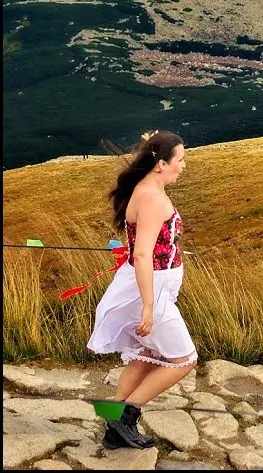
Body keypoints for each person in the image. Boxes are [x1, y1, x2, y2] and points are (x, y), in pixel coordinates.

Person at [87, 130, 196, 449]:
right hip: (151, 290)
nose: (183, 165)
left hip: (149, 285)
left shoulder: (146, 188)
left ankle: (113, 426)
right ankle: (126, 417)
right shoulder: (152, 197)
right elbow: (142, 253)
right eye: (180, 159)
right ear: (161, 164)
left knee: (148, 356)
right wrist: (149, 306)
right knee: (184, 359)